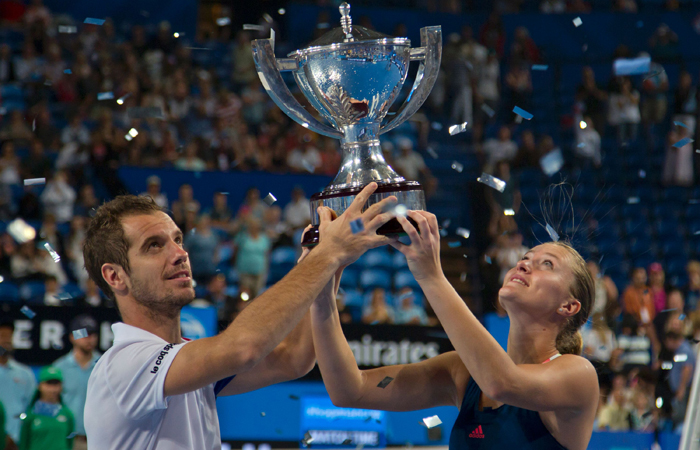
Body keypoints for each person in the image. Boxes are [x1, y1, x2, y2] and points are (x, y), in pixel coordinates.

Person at [82, 184, 396, 449]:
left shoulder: (177, 360)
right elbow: (243, 347)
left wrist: (322, 264)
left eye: (177, 239)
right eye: (154, 246)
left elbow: (293, 358)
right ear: (115, 277)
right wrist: (328, 255)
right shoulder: (124, 364)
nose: (179, 253)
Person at [310, 209, 599, 450]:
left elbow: (502, 383)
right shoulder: (463, 372)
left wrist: (431, 276)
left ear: (568, 307)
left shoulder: (578, 375)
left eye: (546, 264)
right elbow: (350, 390)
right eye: (525, 258)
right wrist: (321, 293)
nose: (524, 265)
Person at [52, 316, 101, 450]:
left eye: (92, 334)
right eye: (83, 334)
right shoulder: (59, 368)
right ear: (72, 337)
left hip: (99, 438)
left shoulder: (105, 366)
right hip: (67, 438)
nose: (89, 338)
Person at [0, 321, 37, 450]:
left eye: (9, 336)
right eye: (2, 336)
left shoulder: (25, 374)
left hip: (18, 441)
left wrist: (15, 435)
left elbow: (31, 408)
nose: (7, 340)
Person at [18, 367, 75, 450]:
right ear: (40, 386)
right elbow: (24, 444)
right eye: (49, 383)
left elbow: (70, 443)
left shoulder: (67, 415)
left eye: (56, 384)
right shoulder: (31, 415)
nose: (53, 388)